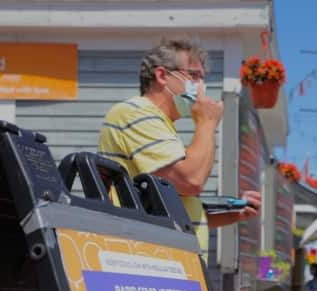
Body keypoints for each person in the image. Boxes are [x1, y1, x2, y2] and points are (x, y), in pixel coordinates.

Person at [98, 38, 260, 259]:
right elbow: (191, 180)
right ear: (162, 75)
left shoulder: (161, 126)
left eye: (203, 78)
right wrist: (207, 123)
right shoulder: (135, 112)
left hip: (169, 264)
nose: (201, 87)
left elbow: (178, 202)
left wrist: (235, 213)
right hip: (146, 263)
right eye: (193, 76)